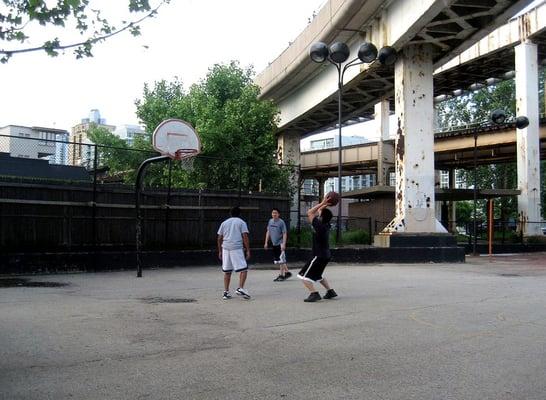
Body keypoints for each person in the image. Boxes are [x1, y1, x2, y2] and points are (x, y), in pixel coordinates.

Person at [297, 196, 338, 302]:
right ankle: (330, 291)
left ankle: (314, 294)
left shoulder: (319, 225)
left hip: (318, 255)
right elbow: (319, 212)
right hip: (325, 255)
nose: (319, 212)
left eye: (320, 212)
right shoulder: (327, 224)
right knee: (318, 275)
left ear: (322, 216)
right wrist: (324, 205)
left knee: (303, 276)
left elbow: (310, 212)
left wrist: (323, 202)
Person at [217, 206, 251, 300]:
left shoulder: (224, 223)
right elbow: (245, 236)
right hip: (236, 248)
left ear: (230, 213)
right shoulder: (241, 222)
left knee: (227, 271)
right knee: (244, 269)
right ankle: (240, 288)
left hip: (225, 248)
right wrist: (248, 250)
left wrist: (220, 250)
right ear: (239, 214)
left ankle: (226, 292)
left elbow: (219, 238)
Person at [264, 208, 291, 281]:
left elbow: (284, 233)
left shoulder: (281, 222)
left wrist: (284, 244)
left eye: (275, 213)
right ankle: (287, 272)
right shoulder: (270, 221)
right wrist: (266, 242)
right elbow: (268, 231)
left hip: (280, 243)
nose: (274, 214)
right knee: (279, 260)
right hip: (274, 243)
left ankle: (281, 275)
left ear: (279, 214)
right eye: (273, 213)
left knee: (281, 260)